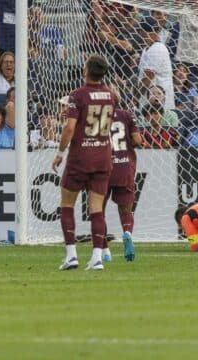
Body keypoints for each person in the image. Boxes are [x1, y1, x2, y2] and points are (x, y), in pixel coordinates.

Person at [52, 54, 116, 272]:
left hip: (81, 157)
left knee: (67, 204)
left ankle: (71, 256)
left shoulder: (77, 95)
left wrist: (60, 152)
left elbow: (70, 128)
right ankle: (97, 257)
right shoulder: (111, 95)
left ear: (86, 70)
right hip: (103, 156)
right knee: (97, 209)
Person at [103, 103, 142, 263]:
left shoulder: (97, 115)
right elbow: (138, 140)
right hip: (125, 167)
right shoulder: (127, 115)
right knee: (126, 210)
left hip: (104, 167)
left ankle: (104, 251)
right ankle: (127, 233)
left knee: (98, 210)